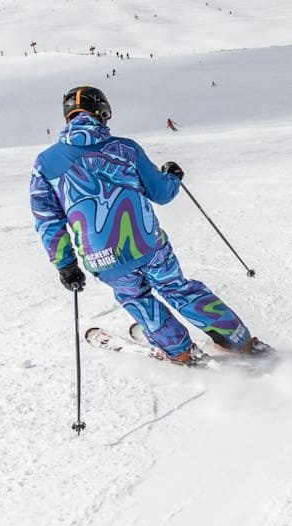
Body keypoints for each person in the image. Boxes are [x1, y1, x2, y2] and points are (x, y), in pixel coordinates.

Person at [29, 86, 265, 364]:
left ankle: (181, 351)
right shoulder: (124, 149)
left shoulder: (45, 163)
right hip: (147, 244)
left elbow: (48, 219)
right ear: (102, 113)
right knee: (178, 288)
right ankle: (239, 341)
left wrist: (65, 265)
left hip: (101, 257)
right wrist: (173, 177)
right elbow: (161, 193)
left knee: (137, 298)